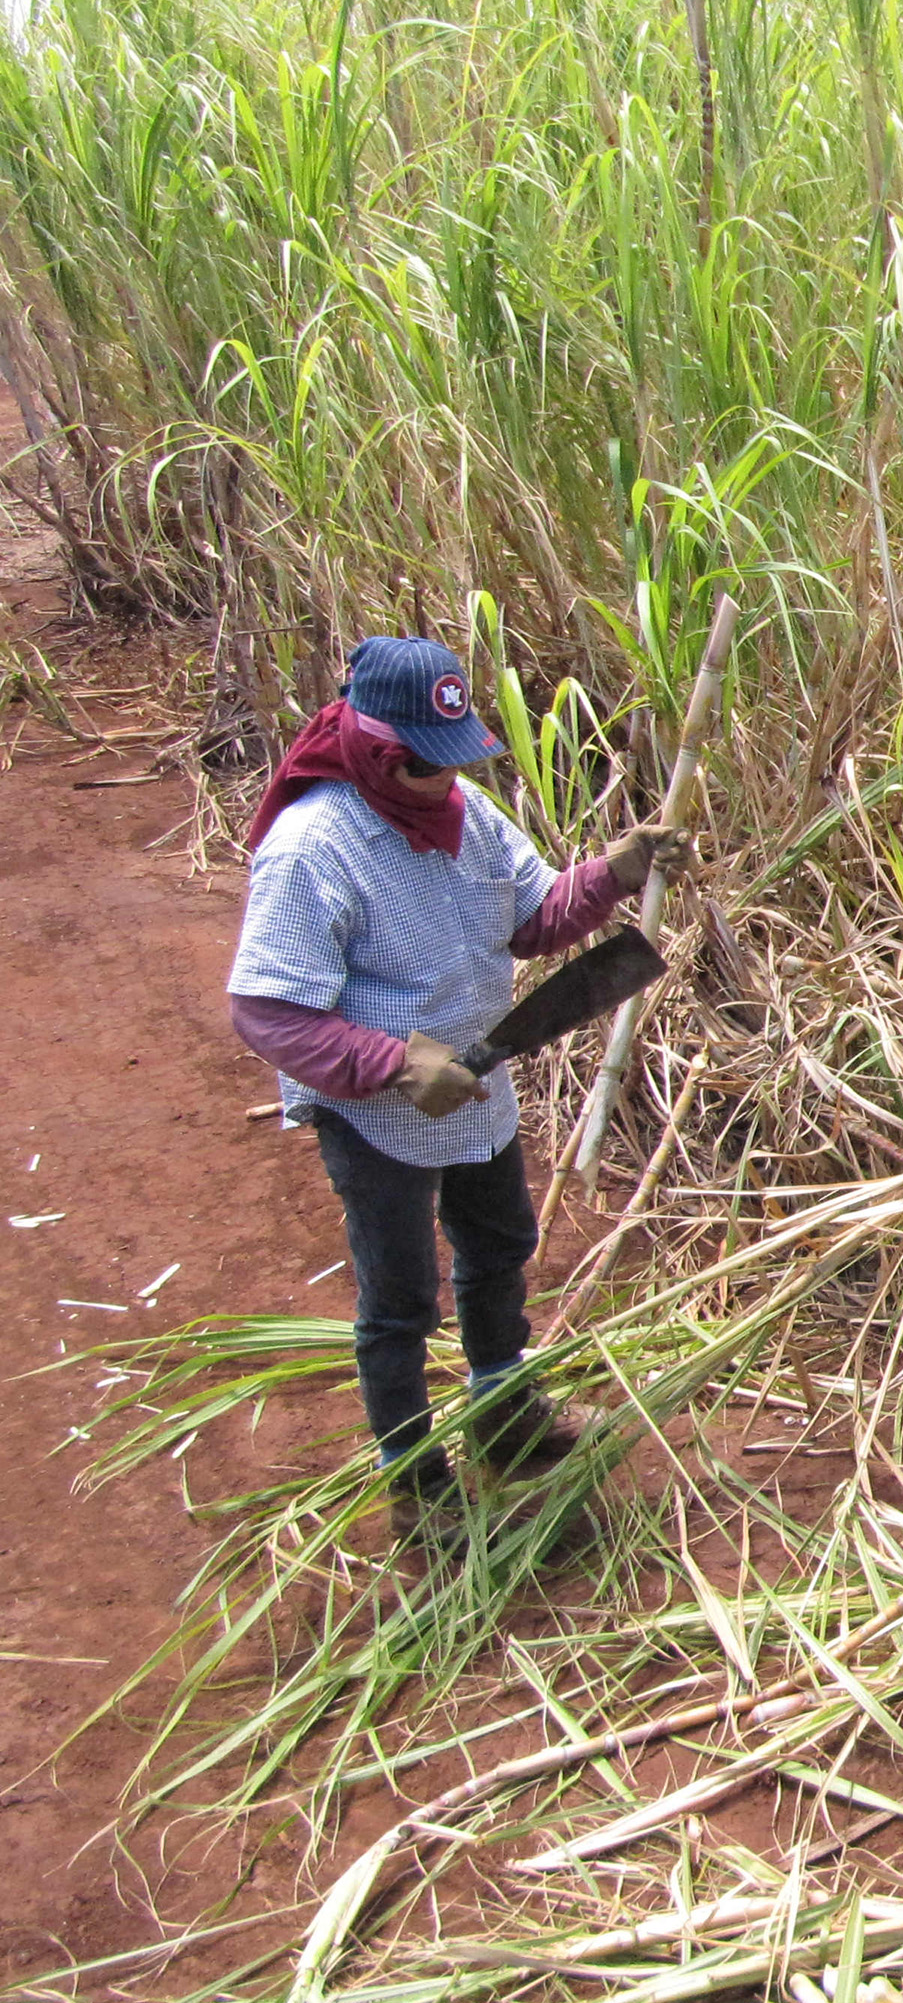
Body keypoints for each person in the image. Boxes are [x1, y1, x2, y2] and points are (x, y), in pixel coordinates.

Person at [226, 636, 688, 1555]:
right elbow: (268, 1013)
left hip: (478, 1081)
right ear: (376, 749)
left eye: (453, 761)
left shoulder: (469, 814)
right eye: (424, 764)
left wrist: (615, 872)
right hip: (375, 1110)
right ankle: (417, 1484)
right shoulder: (311, 848)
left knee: (501, 1243)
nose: (445, 780)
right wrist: (397, 1064)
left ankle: (503, 1415)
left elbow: (533, 922)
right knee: (399, 1303)